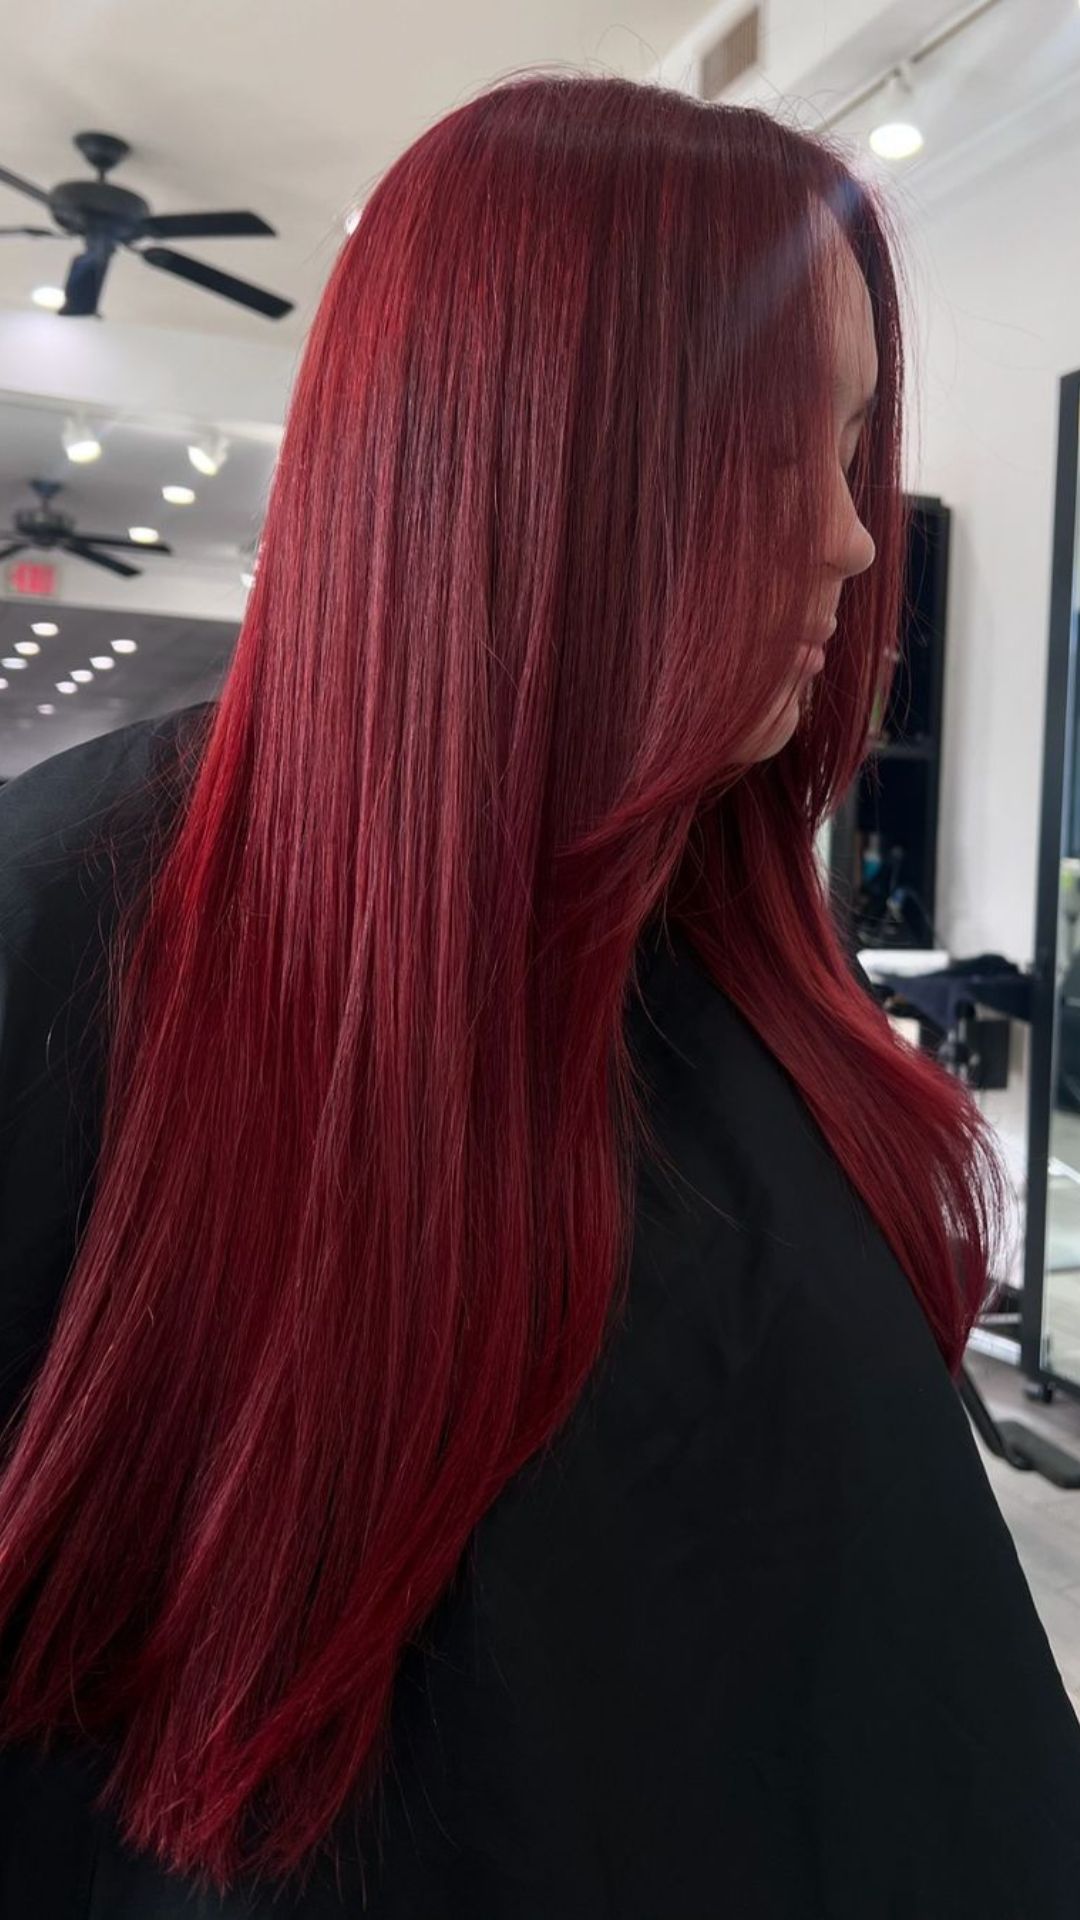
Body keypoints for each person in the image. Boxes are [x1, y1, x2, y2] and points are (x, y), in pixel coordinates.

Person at [1, 70, 1078, 1920]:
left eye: (853, 456)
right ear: (541, 462)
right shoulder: (71, 934)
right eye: (785, 455)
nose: (850, 539)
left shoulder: (742, 956)